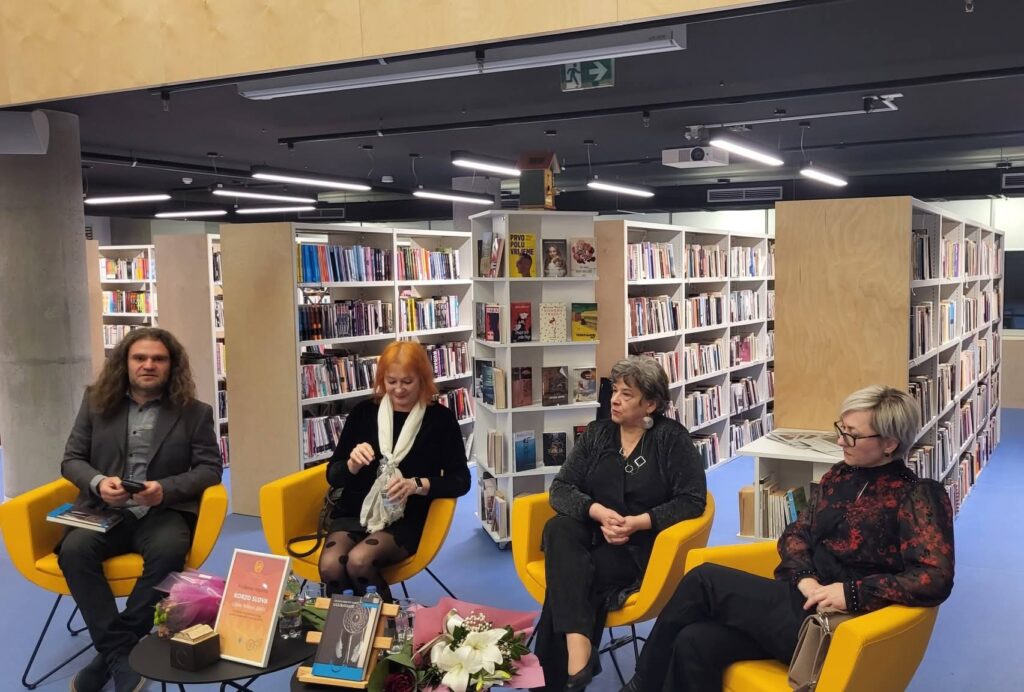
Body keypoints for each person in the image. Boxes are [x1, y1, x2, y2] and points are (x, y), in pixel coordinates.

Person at [620, 385, 955, 692]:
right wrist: (805, 578)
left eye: (852, 435)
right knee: (695, 641)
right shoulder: (839, 475)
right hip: (801, 601)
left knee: (704, 580)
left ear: (890, 444)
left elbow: (934, 577)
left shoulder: (918, 495)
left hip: (839, 623)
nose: (840, 441)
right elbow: (797, 532)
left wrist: (851, 593)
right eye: (841, 429)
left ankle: (641, 685)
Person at [59, 328, 223, 692]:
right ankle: (121, 654)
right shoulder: (96, 402)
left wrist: (165, 489)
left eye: (158, 359)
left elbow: (210, 469)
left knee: (169, 552)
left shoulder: (195, 413)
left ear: (171, 365)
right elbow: (71, 459)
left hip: (163, 511)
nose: (149, 365)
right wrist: (98, 482)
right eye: (140, 358)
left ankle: (110, 655)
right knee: (74, 551)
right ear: (125, 363)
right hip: (104, 509)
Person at [534, 356, 708, 692]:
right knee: (557, 529)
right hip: (594, 530)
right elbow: (561, 488)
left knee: (570, 577)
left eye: (627, 394)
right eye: (614, 391)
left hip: (638, 546)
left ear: (650, 404)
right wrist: (596, 511)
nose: (614, 399)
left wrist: (639, 522)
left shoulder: (672, 439)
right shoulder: (598, 434)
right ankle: (578, 645)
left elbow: (692, 500)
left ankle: (555, 680)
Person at [320, 341, 471, 600]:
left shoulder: (440, 420)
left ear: (422, 379)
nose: (398, 390)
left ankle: (384, 622)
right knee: (331, 565)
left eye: (407, 382)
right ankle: (349, 624)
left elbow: (461, 480)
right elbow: (333, 475)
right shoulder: (363, 413)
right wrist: (352, 465)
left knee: (359, 561)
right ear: (382, 380)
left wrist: (417, 485)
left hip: (407, 517)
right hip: (355, 511)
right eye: (391, 382)